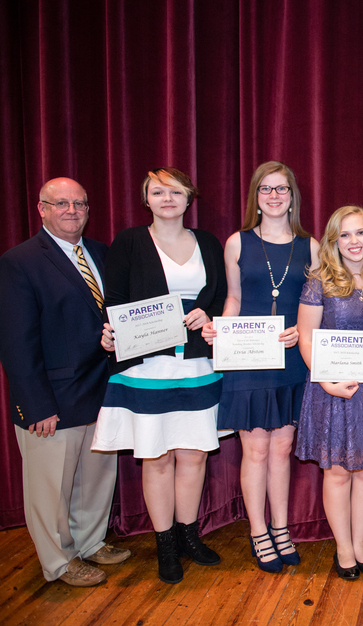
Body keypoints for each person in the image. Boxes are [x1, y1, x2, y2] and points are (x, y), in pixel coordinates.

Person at [93, 168, 227, 584]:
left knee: (193, 453)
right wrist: (110, 333)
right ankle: (165, 545)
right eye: (157, 191)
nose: (166, 198)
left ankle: (189, 536)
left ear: (189, 198)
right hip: (148, 365)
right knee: (157, 456)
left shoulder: (207, 241)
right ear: (145, 199)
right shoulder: (130, 241)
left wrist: (210, 313)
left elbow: (220, 294)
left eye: (175, 191)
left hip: (198, 364)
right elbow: (113, 301)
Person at [0, 178, 130, 587]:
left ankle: (90, 543)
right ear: (41, 209)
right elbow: (16, 342)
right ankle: (58, 560)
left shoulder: (100, 253)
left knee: (95, 476)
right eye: (61, 203)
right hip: (52, 398)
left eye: (79, 203)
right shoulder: (19, 261)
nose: (71, 210)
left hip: (100, 389)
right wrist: (34, 405)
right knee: (50, 486)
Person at [202, 161, 318, 572]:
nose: (273, 196)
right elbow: (233, 300)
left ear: (292, 197)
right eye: (266, 189)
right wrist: (222, 330)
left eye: (281, 189)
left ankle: (282, 527)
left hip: (289, 358)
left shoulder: (310, 246)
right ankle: (258, 531)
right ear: (256, 195)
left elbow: (315, 306)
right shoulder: (237, 242)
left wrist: (300, 331)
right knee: (255, 450)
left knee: (283, 449)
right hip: (247, 358)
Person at [296, 206, 363, 582]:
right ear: (333, 241)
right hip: (332, 389)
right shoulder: (319, 280)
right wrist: (324, 379)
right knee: (338, 472)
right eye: (345, 235)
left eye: (360, 233)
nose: (354, 242)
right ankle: (342, 548)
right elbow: (306, 336)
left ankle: (359, 544)